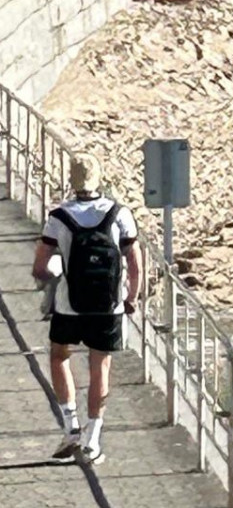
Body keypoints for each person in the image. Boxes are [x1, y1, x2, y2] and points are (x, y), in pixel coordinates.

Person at [31, 154, 141, 464]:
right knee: (100, 368)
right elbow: (134, 262)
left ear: (71, 180)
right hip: (109, 305)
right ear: (99, 180)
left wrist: (54, 271)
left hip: (69, 305)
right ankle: (94, 440)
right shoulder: (120, 213)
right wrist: (132, 296)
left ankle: (71, 426)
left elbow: (40, 267)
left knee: (59, 355)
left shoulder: (59, 217)